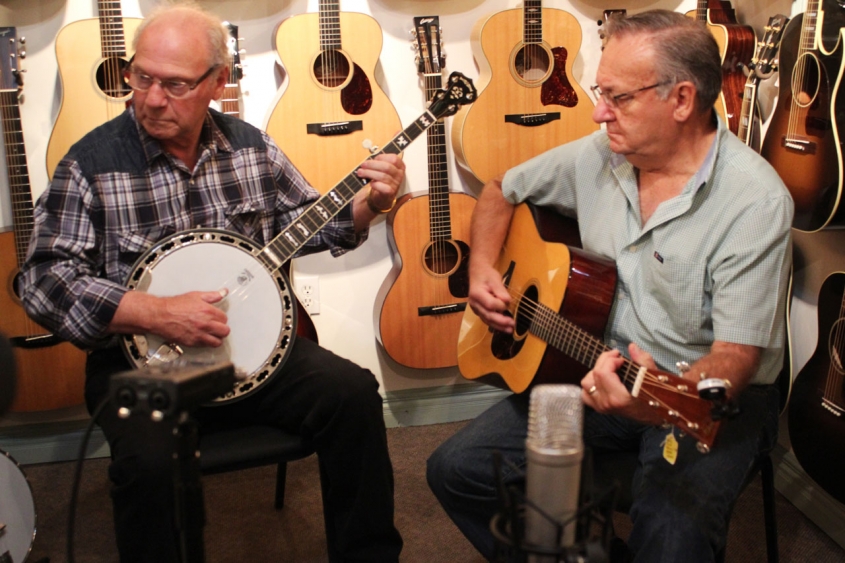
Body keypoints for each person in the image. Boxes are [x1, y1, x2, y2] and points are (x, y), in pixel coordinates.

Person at [21, 3, 404, 562]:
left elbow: (313, 224)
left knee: (353, 396)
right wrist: (152, 311)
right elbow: (40, 280)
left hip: (252, 354)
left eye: (174, 84)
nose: (152, 98)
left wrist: (372, 204)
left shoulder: (251, 147)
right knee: (151, 464)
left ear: (217, 82)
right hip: (142, 363)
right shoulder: (90, 163)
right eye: (142, 77)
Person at [427, 10, 793, 563]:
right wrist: (481, 270)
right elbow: (502, 188)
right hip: (597, 367)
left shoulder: (754, 202)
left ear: (682, 100)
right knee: (457, 470)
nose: (599, 113)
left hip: (708, 399)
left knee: (673, 539)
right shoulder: (602, 155)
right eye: (602, 92)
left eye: (617, 98)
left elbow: (735, 360)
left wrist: (660, 404)